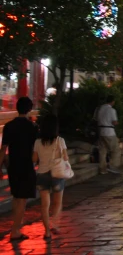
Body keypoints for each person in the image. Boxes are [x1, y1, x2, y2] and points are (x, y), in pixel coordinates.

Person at [0, 97, 37, 242]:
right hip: (27, 165)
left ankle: (16, 227)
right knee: (22, 199)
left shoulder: (9, 126)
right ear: (29, 109)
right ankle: (15, 230)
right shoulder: (33, 127)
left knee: (16, 196)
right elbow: (36, 149)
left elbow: (3, 149)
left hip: (13, 165)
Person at [32, 115, 68, 240]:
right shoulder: (60, 141)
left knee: (44, 205)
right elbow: (65, 158)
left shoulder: (37, 142)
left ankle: (47, 231)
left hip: (42, 175)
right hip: (56, 174)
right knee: (57, 202)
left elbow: (34, 159)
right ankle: (55, 224)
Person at [96, 94, 121, 174]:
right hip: (109, 132)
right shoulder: (112, 110)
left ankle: (102, 169)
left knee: (103, 150)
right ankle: (112, 166)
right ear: (113, 101)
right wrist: (117, 123)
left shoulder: (100, 109)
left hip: (101, 131)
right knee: (115, 150)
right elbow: (114, 122)